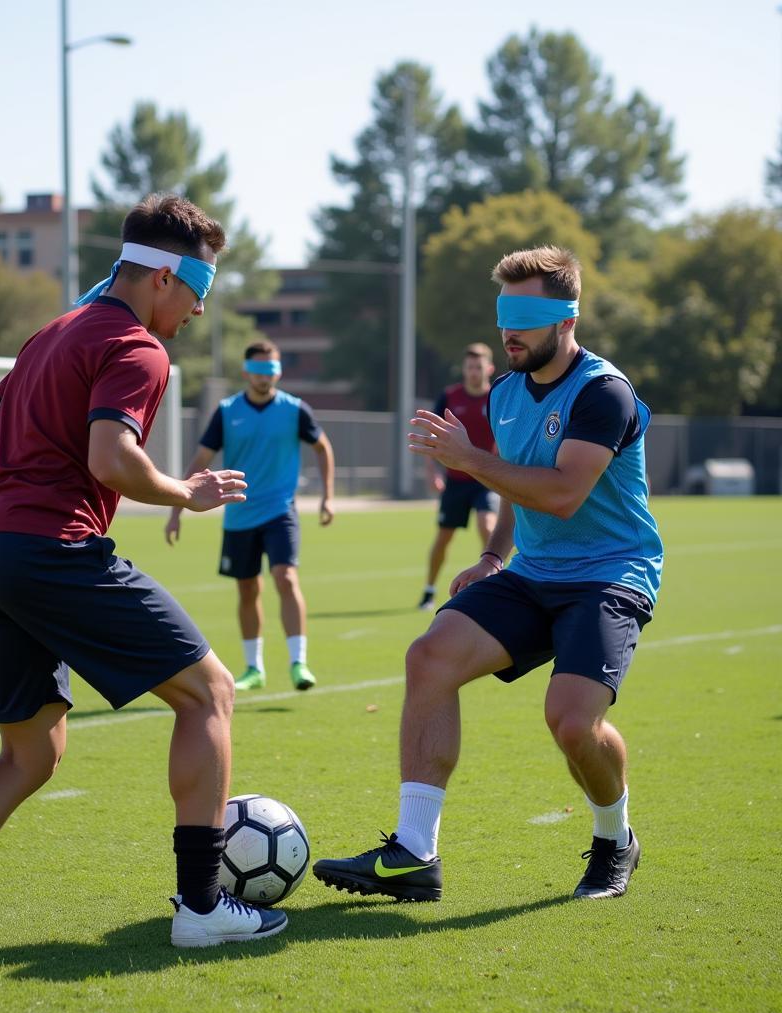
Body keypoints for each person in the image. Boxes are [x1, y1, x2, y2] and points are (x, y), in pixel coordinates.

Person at [0, 194, 287, 952]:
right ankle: (201, 908)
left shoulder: (51, 332)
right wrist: (185, 492)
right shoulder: (137, 347)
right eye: (199, 290)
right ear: (164, 276)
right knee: (210, 693)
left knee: (31, 754)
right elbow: (111, 459)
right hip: (44, 548)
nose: (199, 311)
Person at [314, 246, 662, 903]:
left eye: (525, 317)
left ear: (565, 319)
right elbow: (517, 491)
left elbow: (561, 493)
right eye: (505, 315)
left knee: (569, 722)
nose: (510, 332)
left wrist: (470, 460)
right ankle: (414, 853)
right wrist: (492, 558)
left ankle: (616, 838)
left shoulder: (603, 393)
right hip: (534, 572)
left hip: (610, 576)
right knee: (430, 656)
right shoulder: (505, 392)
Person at [165, 340, 334, 692]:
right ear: (246, 373)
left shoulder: (294, 409)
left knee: (285, 577)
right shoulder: (227, 412)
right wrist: (176, 509)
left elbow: (323, 448)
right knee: (246, 589)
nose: (265, 377)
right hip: (239, 513)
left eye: (271, 370)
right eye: (258, 370)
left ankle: (298, 662)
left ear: (279, 372)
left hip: (279, 510)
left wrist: (327, 497)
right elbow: (200, 461)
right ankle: (254, 668)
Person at [417, 343, 499, 611]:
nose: (473, 372)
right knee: (443, 537)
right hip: (455, 481)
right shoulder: (450, 397)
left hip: (485, 479)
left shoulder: (498, 397)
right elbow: (433, 434)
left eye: (478, 367)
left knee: (487, 524)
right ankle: (429, 591)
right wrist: (432, 471)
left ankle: (494, 587)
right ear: (464, 370)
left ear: (489, 368)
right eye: (469, 367)